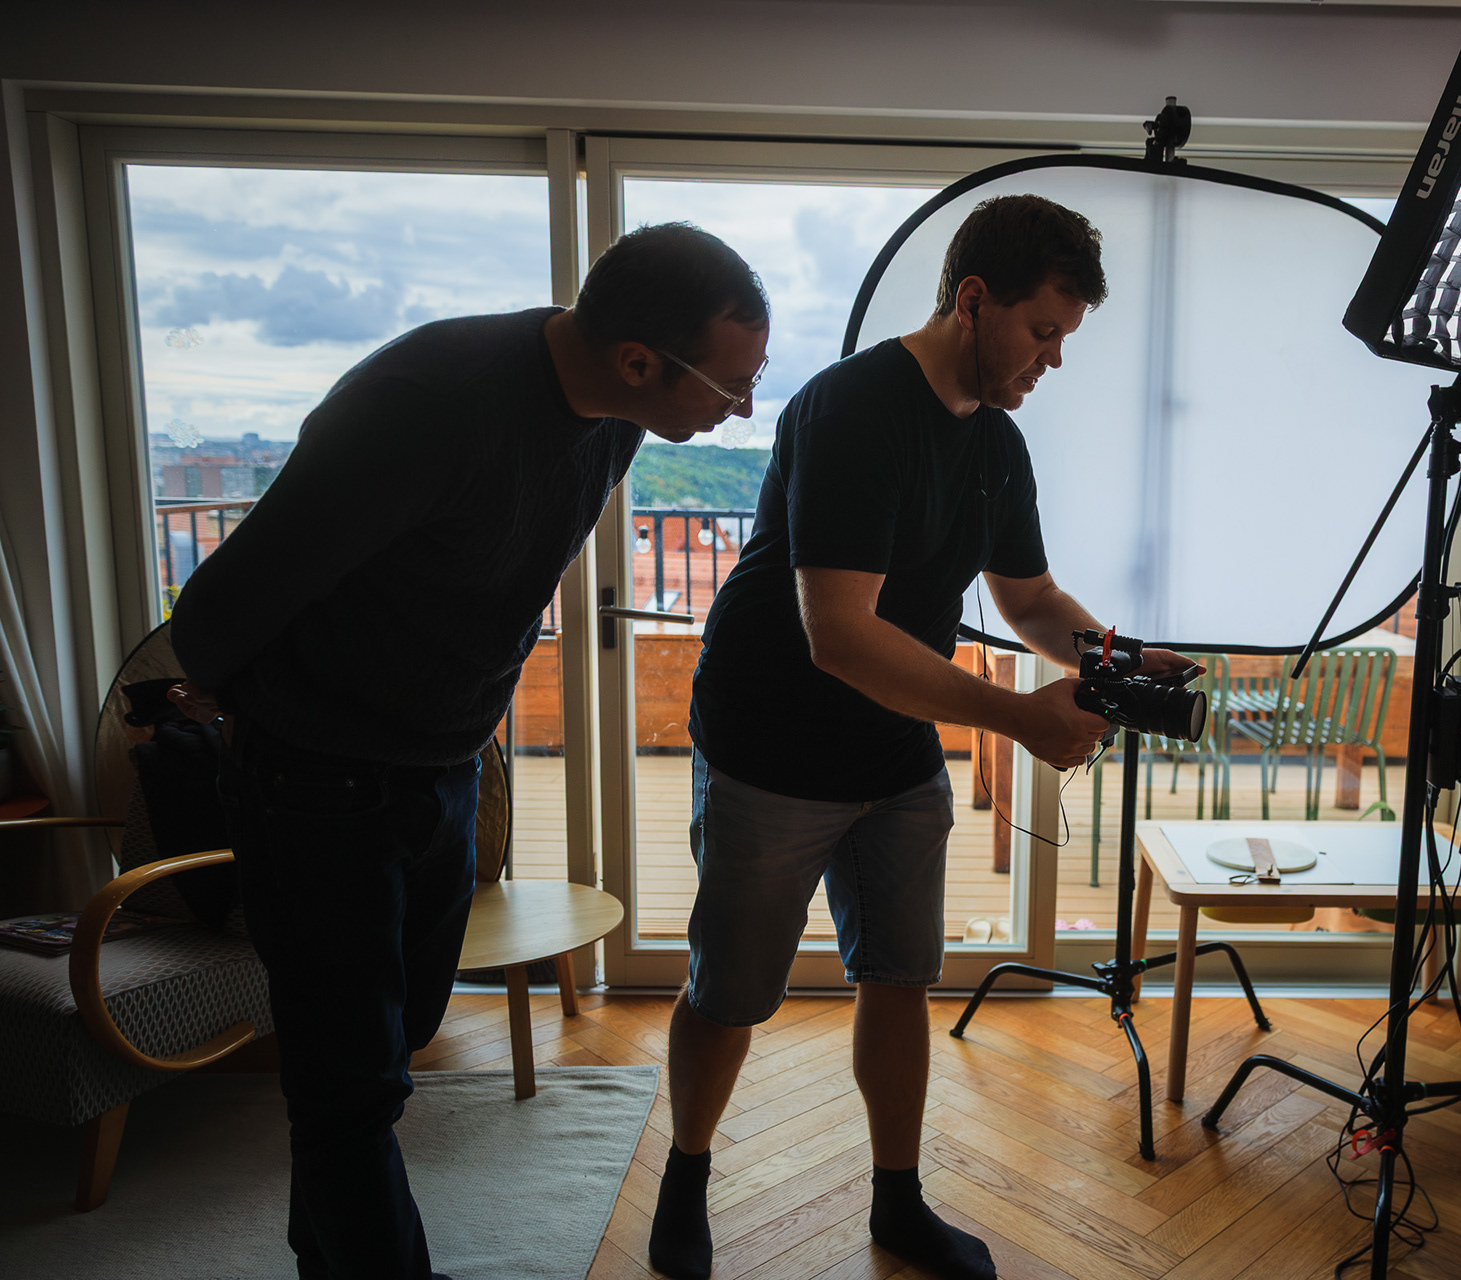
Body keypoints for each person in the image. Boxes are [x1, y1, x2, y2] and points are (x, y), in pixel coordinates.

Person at [165, 223, 770, 1280]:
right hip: (314, 775)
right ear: (639, 361)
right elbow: (222, 605)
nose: (745, 410)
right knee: (350, 1085)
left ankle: (330, 1254)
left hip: (442, 763)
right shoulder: (429, 402)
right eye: (732, 386)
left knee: (399, 1034)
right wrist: (230, 691)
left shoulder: (617, 420)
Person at [655, 195, 1196, 1280]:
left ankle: (897, 1201)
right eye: (1042, 331)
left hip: (895, 744)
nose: (1052, 359)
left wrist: (1118, 657)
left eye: (1064, 338)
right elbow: (840, 635)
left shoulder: (996, 442)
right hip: (773, 739)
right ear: (973, 300)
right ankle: (685, 1174)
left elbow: (1029, 597)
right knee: (733, 989)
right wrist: (1021, 716)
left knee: (900, 975)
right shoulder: (852, 409)